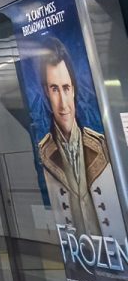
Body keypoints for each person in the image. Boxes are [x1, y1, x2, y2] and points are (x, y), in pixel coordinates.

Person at [33, 37, 110, 238]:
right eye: (54, 89)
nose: (63, 103)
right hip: (76, 259)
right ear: (46, 93)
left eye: (66, 88)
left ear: (74, 89)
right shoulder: (43, 154)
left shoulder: (102, 147)